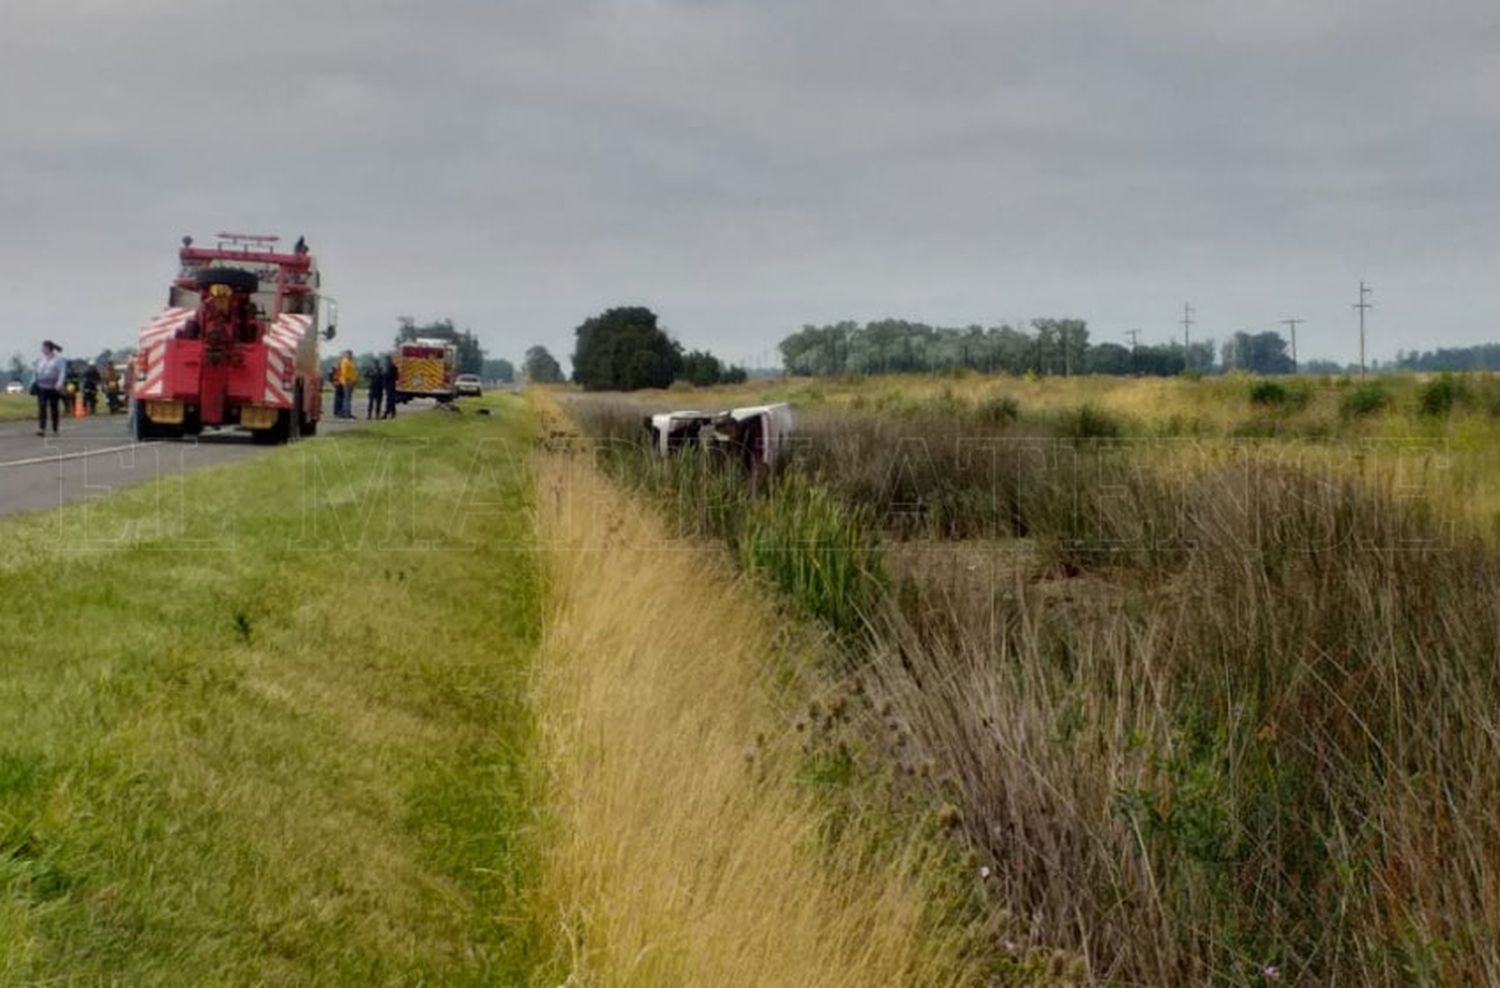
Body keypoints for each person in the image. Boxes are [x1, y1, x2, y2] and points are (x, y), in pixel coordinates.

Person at [32, 340, 67, 437]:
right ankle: (41, 428)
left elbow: (62, 373)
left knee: (54, 408)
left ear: (49, 348)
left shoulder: (58, 360)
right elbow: (36, 372)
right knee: (42, 408)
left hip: (53, 387)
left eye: (44, 347)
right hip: (42, 387)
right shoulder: (41, 360)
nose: (42, 349)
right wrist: (34, 383)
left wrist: (59, 383)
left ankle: (55, 429)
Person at [336, 350, 358, 418]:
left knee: (349, 398)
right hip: (347, 382)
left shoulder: (351, 362)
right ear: (346, 355)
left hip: (351, 382)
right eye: (349, 354)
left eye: (351, 354)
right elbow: (344, 372)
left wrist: (354, 380)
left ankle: (348, 412)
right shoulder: (345, 362)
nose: (351, 356)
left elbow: (354, 371)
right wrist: (348, 379)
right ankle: (346, 413)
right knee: (347, 398)